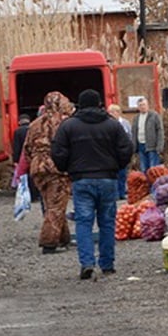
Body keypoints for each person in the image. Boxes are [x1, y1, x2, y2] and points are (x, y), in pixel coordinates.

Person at [52, 89, 135, 279]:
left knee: (83, 222)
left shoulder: (69, 126)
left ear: (80, 104)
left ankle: (87, 263)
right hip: (107, 178)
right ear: (99, 104)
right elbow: (126, 148)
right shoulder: (112, 125)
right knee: (107, 223)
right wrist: (117, 166)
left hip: (81, 180)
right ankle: (107, 264)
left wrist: (66, 168)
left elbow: (58, 151)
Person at [24, 92, 75, 254]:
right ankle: (49, 242)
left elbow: (27, 149)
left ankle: (63, 238)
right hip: (55, 169)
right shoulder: (63, 123)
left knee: (52, 203)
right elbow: (67, 148)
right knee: (56, 206)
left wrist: (34, 162)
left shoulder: (34, 124)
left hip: (37, 168)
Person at [107, 104, 134, 200]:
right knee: (114, 175)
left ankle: (122, 193)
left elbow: (130, 136)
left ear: (117, 112)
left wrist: (129, 150)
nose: (109, 114)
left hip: (122, 153)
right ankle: (115, 194)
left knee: (122, 174)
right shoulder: (108, 124)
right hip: (112, 153)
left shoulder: (125, 123)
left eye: (111, 112)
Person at [134, 97, 164, 171]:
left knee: (153, 168)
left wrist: (160, 146)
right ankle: (146, 182)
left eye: (144, 104)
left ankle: (154, 182)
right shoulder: (136, 118)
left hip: (152, 146)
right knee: (144, 168)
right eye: (140, 105)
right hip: (141, 146)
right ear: (138, 107)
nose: (142, 107)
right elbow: (134, 132)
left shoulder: (154, 115)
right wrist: (134, 147)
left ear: (147, 105)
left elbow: (160, 131)